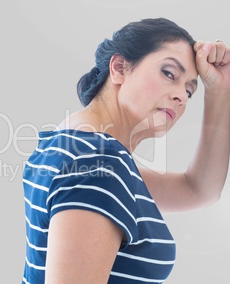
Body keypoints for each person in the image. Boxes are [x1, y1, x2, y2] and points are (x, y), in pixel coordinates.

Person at [21, 18, 230, 284]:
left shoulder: (72, 146)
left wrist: (220, 90)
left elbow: (199, 189)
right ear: (119, 68)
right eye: (169, 73)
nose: (181, 95)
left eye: (189, 91)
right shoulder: (99, 163)